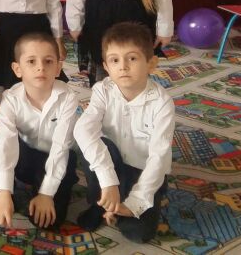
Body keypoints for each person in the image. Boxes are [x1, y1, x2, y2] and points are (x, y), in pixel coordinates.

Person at [73, 22, 175, 243]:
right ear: (106, 67)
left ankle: (119, 203)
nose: (123, 67)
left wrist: (135, 203)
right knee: (90, 142)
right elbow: (83, 129)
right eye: (115, 60)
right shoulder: (103, 90)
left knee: (139, 234)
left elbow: (159, 157)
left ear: (151, 63)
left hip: (143, 170)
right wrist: (108, 182)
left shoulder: (162, 103)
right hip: (111, 164)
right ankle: (100, 202)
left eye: (132, 58)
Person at [0, 32, 79, 230]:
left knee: (49, 222)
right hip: (26, 153)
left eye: (48, 61)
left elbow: (61, 147)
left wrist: (46, 194)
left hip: (57, 155)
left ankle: (44, 185)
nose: (41, 67)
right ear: (17, 69)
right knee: (3, 152)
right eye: (31, 61)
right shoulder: (10, 99)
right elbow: (5, 143)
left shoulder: (68, 98)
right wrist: (4, 193)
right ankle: (17, 184)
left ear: (58, 68)